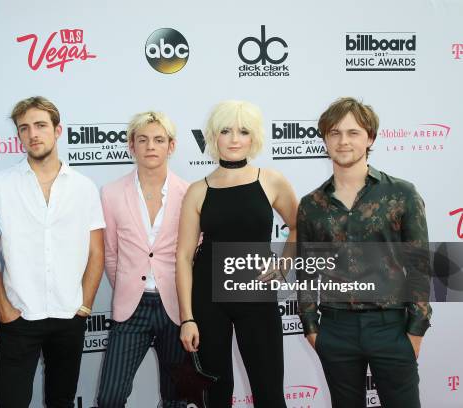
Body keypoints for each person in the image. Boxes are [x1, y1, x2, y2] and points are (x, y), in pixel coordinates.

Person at [297, 97, 432, 408]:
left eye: (353, 132)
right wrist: (312, 328)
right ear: (325, 140)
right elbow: (306, 272)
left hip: (392, 328)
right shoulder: (311, 204)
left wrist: (415, 330)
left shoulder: (402, 194)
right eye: (334, 133)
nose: (343, 141)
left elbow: (420, 266)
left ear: (370, 137)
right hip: (336, 329)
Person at [176, 100, 298, 407]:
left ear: (253, 138)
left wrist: (283, 267)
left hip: (256, 294)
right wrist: (187, 318)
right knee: (216, 393)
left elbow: (300, 227)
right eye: (225, 131)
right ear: (213, 136)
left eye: (242, 131)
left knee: (269, 390)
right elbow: (183, 256)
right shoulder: (198, 190)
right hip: (208, 298)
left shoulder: (270, 180)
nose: (233, 139)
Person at [0, 96, 105, 408]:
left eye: (40, 125)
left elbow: (96, 251)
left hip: (70, 315)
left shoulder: (84, 187)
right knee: (11, 402)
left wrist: (85, 306)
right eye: (24, 128)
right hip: (19, 316)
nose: (33, 134)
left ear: (58, 130)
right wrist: (3, 307)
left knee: (61, 401)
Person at [97, 112, 189, 407]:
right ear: (131, 145)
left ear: (171, 146)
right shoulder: (110, 193)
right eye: (143, 139)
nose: (151, 146)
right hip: (130, 309)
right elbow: (110, 254)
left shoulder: (189, 193)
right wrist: (128, 286)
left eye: (159, 140)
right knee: (110, 397)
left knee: (176, 398)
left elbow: (194, 252)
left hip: (175, 307)